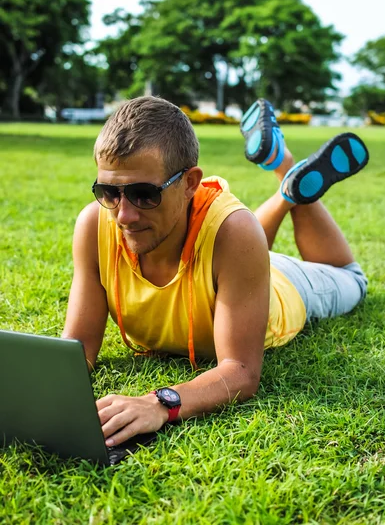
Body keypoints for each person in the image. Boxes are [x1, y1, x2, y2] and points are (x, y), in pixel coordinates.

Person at [62, 96, 369, 448]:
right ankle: (287, 182)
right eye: (108, 192)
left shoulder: (235, 234)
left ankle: (287, 172)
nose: (123, 215)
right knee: (239, 237)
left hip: (286, 286)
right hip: (235, 263)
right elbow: (79, 348)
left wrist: (158, 403)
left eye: (144, 195)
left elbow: (240, 370)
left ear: (191, 182)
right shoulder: (94, 225)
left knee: (351, 277)